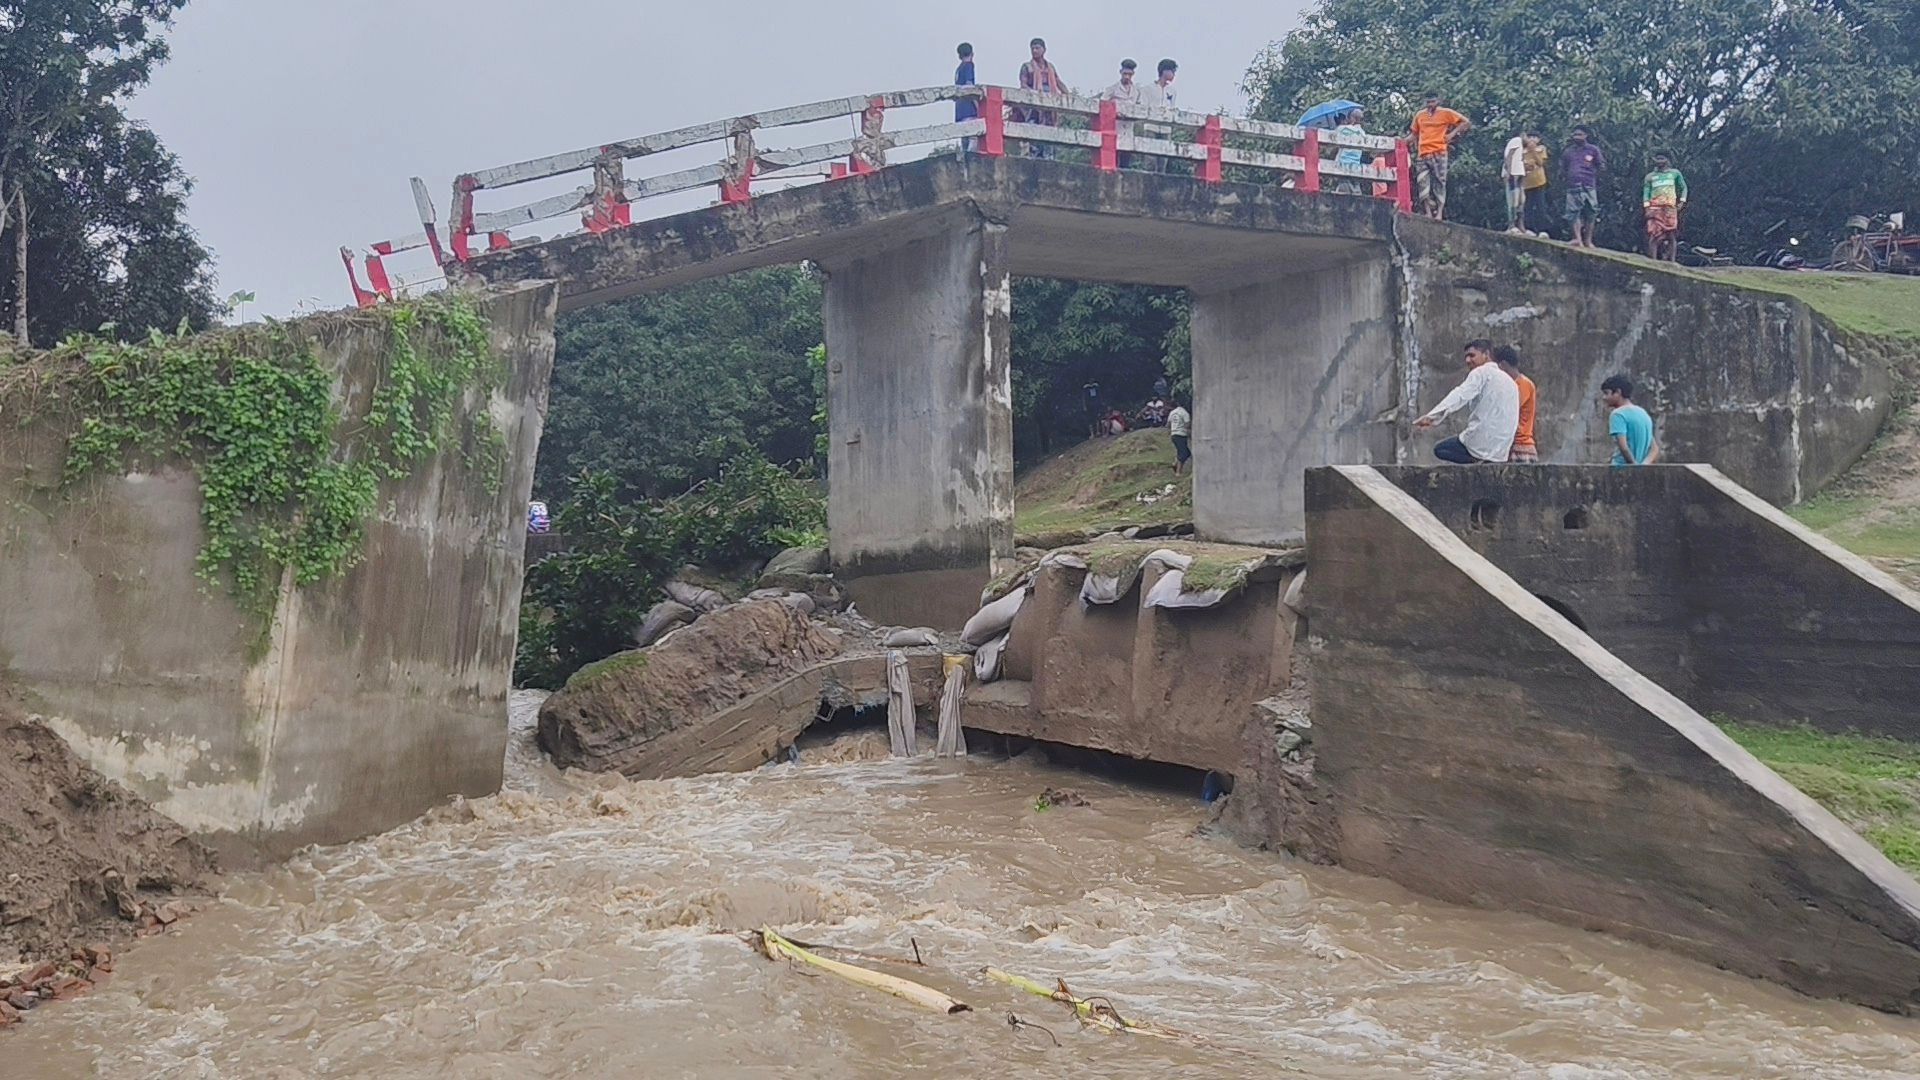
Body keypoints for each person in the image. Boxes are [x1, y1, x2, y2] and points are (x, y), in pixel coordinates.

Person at [1413, 339, 1518, 464]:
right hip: (1501, 450)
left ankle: (1476, 461)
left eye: (1472, 355)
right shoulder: (1510, 381)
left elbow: (1460, 395)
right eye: (1466, 357)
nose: (1468, 360)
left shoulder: (1481, 372)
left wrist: (1432, 416)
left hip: (1480, 442)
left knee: (1440, 449)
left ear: (1486, 354)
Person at [1408, 92, 1470, 220]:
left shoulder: (1446, 113)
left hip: (1439, 151)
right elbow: (1414, 134)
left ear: (1438, 101)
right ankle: (1428, 212)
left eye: (1433, 102)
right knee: (1422, 181)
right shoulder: (1420, 115)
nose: (1431, 104)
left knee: (1440, 182)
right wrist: (1401, 142)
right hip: (1423, 152)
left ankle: (1439, 213)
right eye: (1428, 102)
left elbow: (1465, 122)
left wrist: (1451, 135)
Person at [1018, 38, 1066, 159]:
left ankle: (1049, 158)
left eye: (1037, 48)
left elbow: (1058, 82)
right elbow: (1023, 85)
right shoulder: (1027, 66)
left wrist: (1069, 95)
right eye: (1032, 48)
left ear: (1044, 50)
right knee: (1033, 132)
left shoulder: (1050, 67)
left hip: (1049, 107)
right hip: (1034, 107)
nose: (1034, 51)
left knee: (1050, 133)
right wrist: (1035, 94)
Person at [1562, 126, 1606, 248]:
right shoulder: (1568, 152)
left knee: (1591, 213)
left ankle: (1588, 241)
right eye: (1575, 135)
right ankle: (1577, 239)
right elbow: (1564, 168)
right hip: (1573, 185)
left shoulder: (1593, 150)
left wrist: (1592, 173)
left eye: (1579, 134)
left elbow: (1601, 165)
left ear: (1586, 135)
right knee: (1573, 213)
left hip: (1589, 185)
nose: (1576, 137)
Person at [1601, 375, 1659, 465]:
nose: (1604, 397)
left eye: (1606, 393)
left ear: (1618, 392)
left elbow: (1624, 447)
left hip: (1621, 469)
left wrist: (1633, 467)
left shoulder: (1618, 414)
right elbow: (1654, 449)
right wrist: (1643, 466)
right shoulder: (1643, 413)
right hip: (1640, 470)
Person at [1494, 345, 1537, 462]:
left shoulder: (1523, 384)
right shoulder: (1509, 385)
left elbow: (1509, 409)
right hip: (1508, 444)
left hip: (1521, 446)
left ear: (1502, 365)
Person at [1643, 151, 1689, 261]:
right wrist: (1647, 208)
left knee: (1671, 234)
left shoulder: (1675, 174)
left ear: (1667, 160)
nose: (1659, 161)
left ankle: (1672, 261)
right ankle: (1653, 261)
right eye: (1657, 159)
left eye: (1662, 159)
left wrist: (1682, 201)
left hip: (1669, 208)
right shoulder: (1650, 177)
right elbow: (1646, 193)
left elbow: (1683, 188)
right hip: (1655, 208)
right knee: (1654, 235)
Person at [1101, 59, 1143, 167]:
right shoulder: (1112, 89)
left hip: (1129, 129)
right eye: (1125, 74)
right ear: (1120, 72)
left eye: (1129, 74)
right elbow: (1103, 104)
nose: (1127, 77)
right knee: (1113, 158)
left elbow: (1140, 108)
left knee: (1126, 161)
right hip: (1115, 127)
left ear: (1133, 74)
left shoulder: (1137, 91)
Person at [1521, 132, 1551, 235]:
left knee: (1540, 206)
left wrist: (1532, 150)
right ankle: (1529, 228)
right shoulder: (1522, 151)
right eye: (1530, 137)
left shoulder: (1541, 149)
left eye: (1535, 137)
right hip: (1526, 183)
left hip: (1539, 182)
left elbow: (1540, 163)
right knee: (1527, 207)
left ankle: (1543, 229)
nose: (1532, 139)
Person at [954, 43, 979, 152]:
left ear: (959, 56)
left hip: (959, 108)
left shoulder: (958, 69)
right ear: (972, 53)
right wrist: (977, 105)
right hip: (969, 108)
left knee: (964, 137)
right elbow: (969, 87)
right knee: (973, 137)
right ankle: (970, 161)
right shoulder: (969, 66)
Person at [1502, 132, 1528, 232]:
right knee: (1512, 200)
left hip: (1518, 174)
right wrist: (1509, 172)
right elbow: (1509, 156)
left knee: (1521, 201)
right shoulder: (1517, 140)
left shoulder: (1522, 146)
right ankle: (1511, 225)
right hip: (1512, 174)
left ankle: (1520, 225)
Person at [1168, 397, 1192, 475]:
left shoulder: (1172, 412)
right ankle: (1178, 472)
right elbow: (1187, 424)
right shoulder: (1184, 413)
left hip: (1174, 434)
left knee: (1186, 453)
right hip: (1181, 435)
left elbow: (1168, 424)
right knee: (1183, 454)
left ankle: (1175, 463)